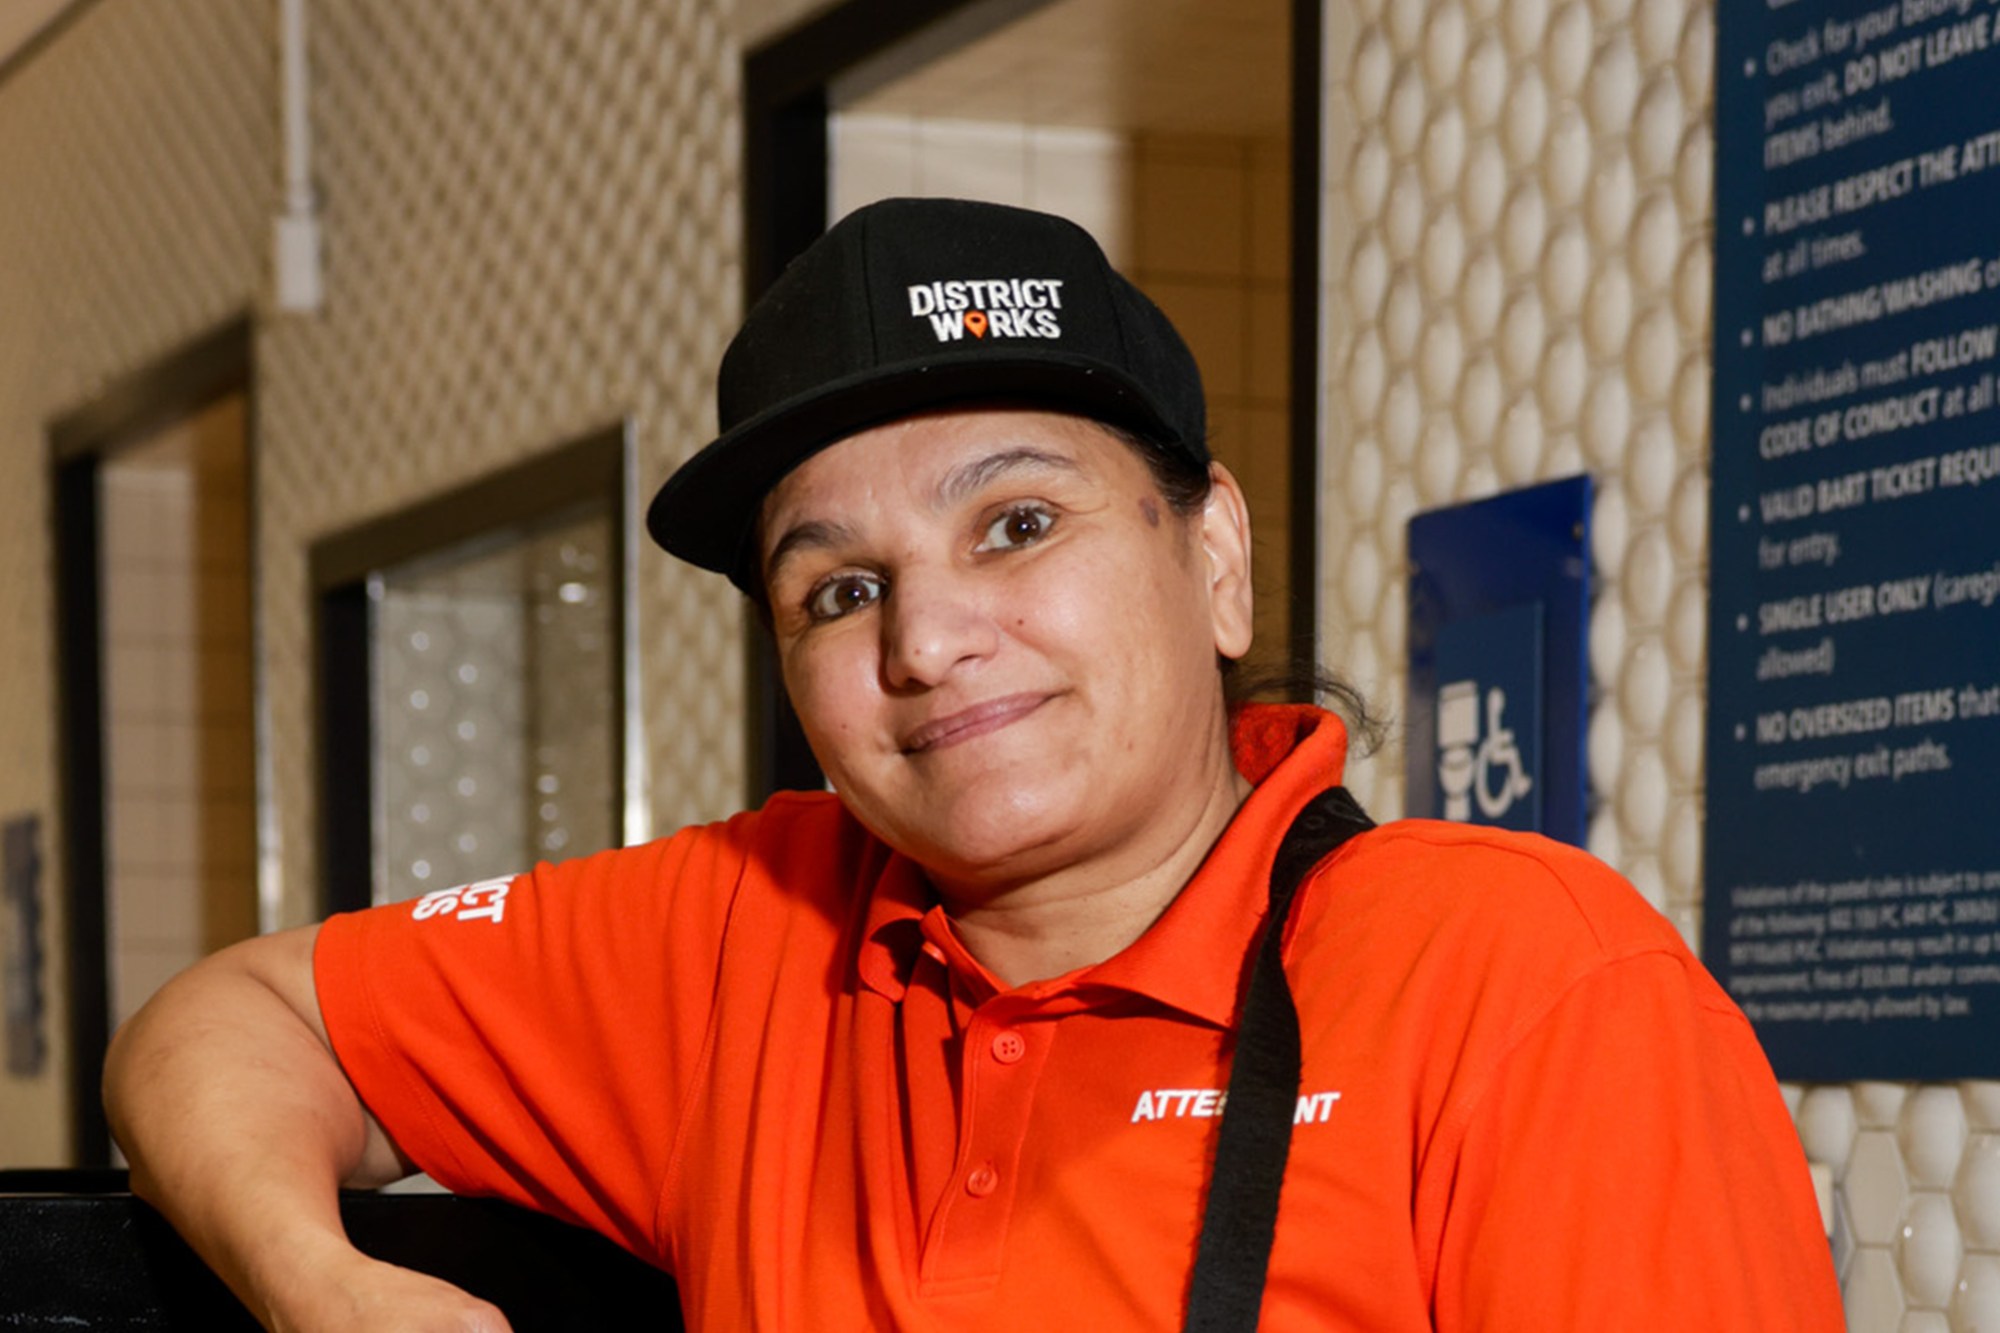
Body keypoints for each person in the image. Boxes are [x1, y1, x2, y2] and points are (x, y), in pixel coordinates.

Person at [104, 197, 1843, 1331]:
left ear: (1214, 555)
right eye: (840, 587)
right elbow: (231, 1022)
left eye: (1017, 522)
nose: (925, 642)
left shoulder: (1528, 987)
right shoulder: (737, 937)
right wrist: (317, 1280)